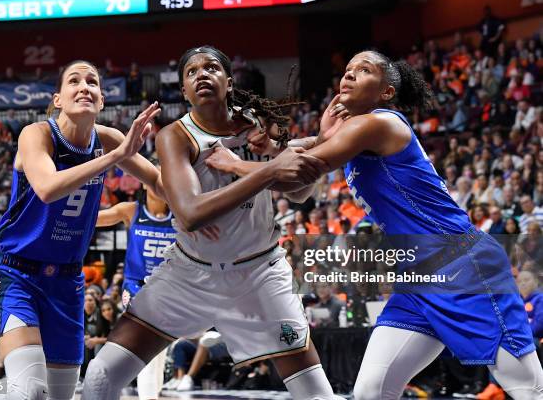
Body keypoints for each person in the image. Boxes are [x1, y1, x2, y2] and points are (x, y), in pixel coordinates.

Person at [206, 50, 543, 399]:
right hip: (417, 278)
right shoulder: (351, 130)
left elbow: (297, 172)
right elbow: (298, 187)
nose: (349, 75)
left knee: (530, 390)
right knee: (371, 391)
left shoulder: (378, 123)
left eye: (363, 70)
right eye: (348, 70)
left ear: (386, 92)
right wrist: (279, 145)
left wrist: (235, 165)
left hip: (462, 266)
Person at [82, 46, 338, 400]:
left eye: (212, 67)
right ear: (184, 91)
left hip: (259, 275)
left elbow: (298, 192)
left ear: (229, 82)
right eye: (191, 72)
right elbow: (190, 213)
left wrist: (292, 152)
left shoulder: (259, 121)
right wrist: (268, 170)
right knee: (100, 376)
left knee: (316, 394)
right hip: (190, 275)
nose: (201, 74)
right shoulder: (175, 135)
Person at [0, 60, 163, 400]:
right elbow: (48, 188)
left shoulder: (109, 139)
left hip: (66, 281)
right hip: (14, 272)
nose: (84, 86)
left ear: (102, 100)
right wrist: (115, 156)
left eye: (92, 82)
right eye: (74, 81)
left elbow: (158, 182)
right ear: (58, 98)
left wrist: (212, 187)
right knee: (31, 388)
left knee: (60, 395)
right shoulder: (37, 134)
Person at [95, 177, 180, 400]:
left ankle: (152, 391)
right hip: (136, 286)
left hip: (171, 289)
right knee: (147, 337)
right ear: (144, 182)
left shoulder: (181, 213)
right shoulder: (131, 210)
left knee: (158, 349)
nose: (161, 182)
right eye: (155, 176)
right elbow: (93, 219)